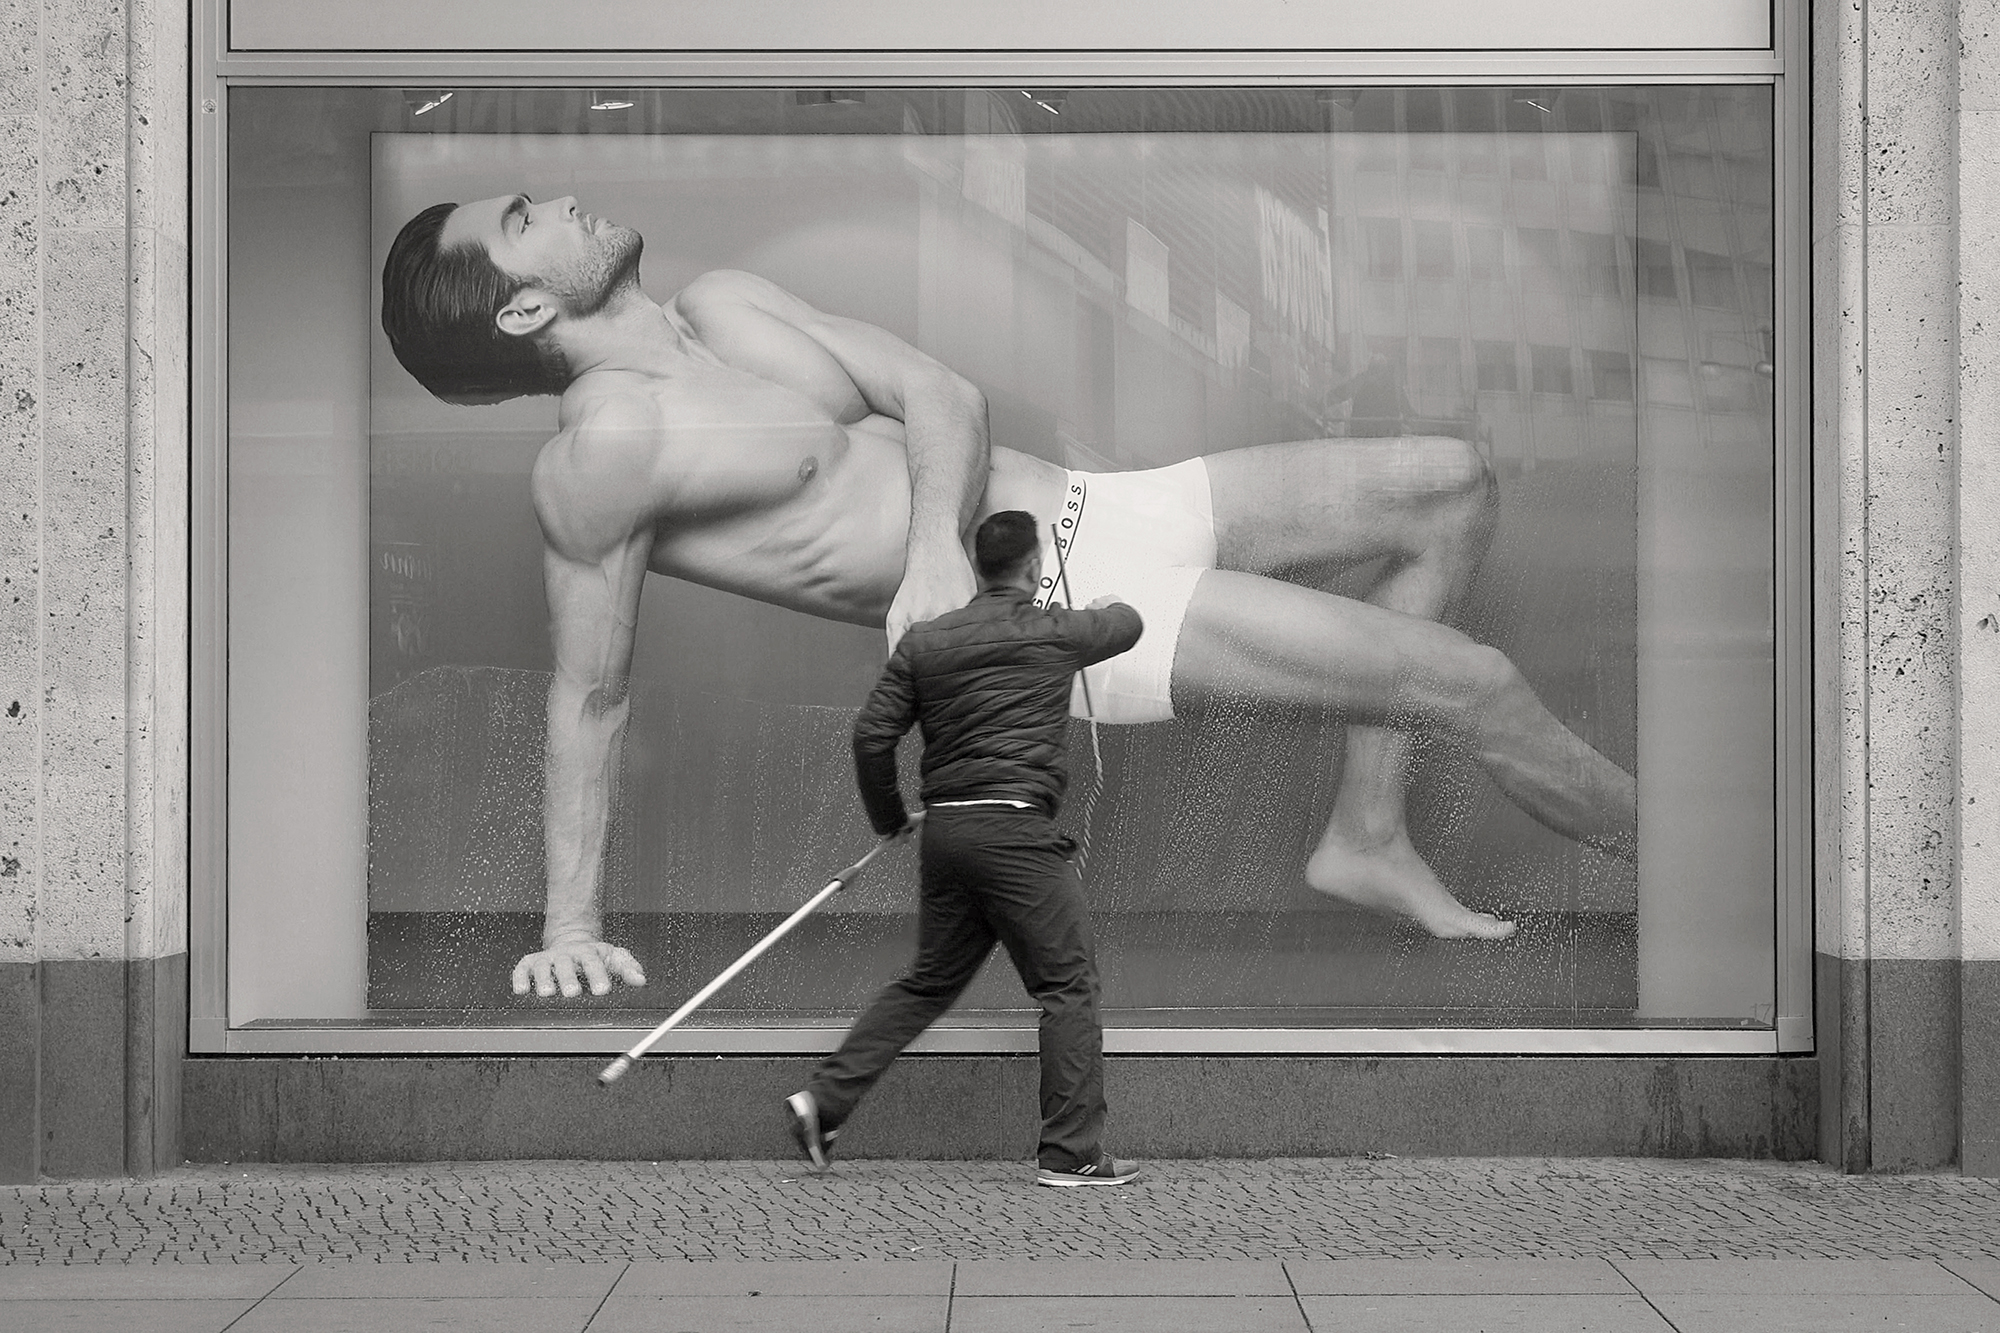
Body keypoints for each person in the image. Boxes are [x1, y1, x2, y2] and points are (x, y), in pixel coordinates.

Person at [377, 191, 1640, 1002]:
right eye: (526, 216)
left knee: (1448, 483)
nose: (561, 199)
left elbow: (946, 396)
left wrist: (932, 549)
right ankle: (1684, 870)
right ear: (527, 300)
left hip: (1105, 502)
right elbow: (587, 697)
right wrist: (568, 921)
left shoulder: (727, 307)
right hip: (1061, 605)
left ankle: (1363, 838)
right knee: (1475, 685)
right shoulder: (601, 458)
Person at [784, 510, 1144, 1186]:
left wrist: (888, 819)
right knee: (1068, 985)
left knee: (928, 981)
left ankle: (822, 1102)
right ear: (1035, 567)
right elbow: (1127, 625)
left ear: (979, 568)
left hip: (948, 835)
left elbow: (871, 736)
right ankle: (1072, 1154)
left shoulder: (928, 642)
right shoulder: (1055, 629)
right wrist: (1102, 604)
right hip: (1016, 834)